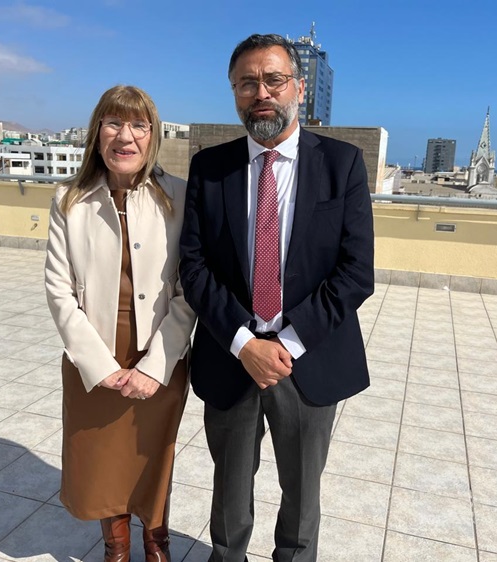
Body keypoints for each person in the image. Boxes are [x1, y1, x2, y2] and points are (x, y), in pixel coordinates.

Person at [179, 34, 375, 561]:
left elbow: (355, 274)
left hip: (307, 362)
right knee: (229, 498)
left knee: (302, 498)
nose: (260, 92)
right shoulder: (210, 168)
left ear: (299, 88)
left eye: (273, 79)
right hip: (230, 355)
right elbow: (193, 269)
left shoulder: (343, 165)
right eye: (247, 83)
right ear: (234, 93)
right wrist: (245, 342)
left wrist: (285, 343)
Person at [45, 85, 195, 562]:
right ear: (97, 133)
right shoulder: (69, 200)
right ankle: (115, 547)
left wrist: (157, 365)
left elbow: (190, 288)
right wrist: (97, 363)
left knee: (153, 456)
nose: (125, 136)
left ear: (152, 137)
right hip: (96, 353)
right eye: (113, 123)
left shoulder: (180, 197)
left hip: (160, 351)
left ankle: (156, 543)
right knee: (103, 459)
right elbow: (58, 290)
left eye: (138, 125)